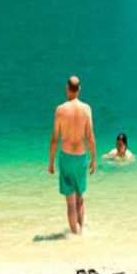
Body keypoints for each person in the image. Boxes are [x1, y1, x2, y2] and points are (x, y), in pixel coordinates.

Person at [48, 75, 97, 235]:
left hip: (66, 157)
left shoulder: (60, 110)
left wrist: (51, 162)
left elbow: (54, 139)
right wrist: (94, 159)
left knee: (70, 203)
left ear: (67, 89)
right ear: (79, 89)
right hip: (81, 157)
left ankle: (74, 237)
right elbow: (91, 137)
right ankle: (82, 233)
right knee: (80, 199)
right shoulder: (87, 109)